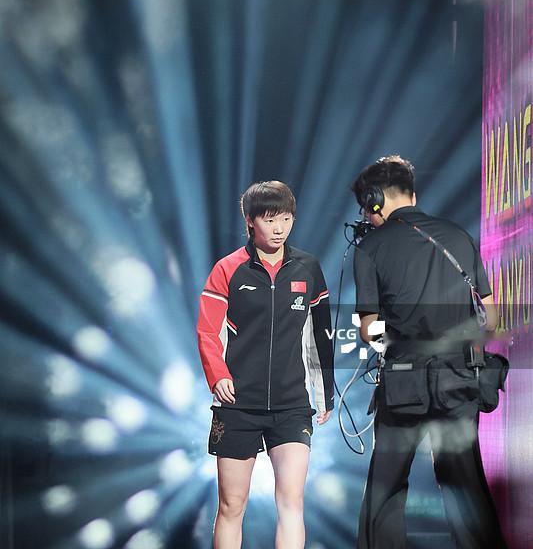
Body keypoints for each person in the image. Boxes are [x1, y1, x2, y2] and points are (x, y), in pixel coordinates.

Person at [351, 155, 507, 549]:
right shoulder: (459, 236)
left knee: (386, 489)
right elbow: (491, 317)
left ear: (373, 200)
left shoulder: (370, 248)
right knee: (465, 485)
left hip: (404, 384)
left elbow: (369, 329)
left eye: (365, 208)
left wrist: (394, 342)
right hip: (459, 380)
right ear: (412, 194)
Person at [196, 180, 334, 549]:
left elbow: (319, 336)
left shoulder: (308, 268)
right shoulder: (228, 269)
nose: (279, 228)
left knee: (292, 502)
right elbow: (208, 332)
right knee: (231, 505)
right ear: (249, 222)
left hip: (291, 405)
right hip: (238, 404)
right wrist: (218, 376)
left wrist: (324, 393)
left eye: (286, 219)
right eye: (270, 220)